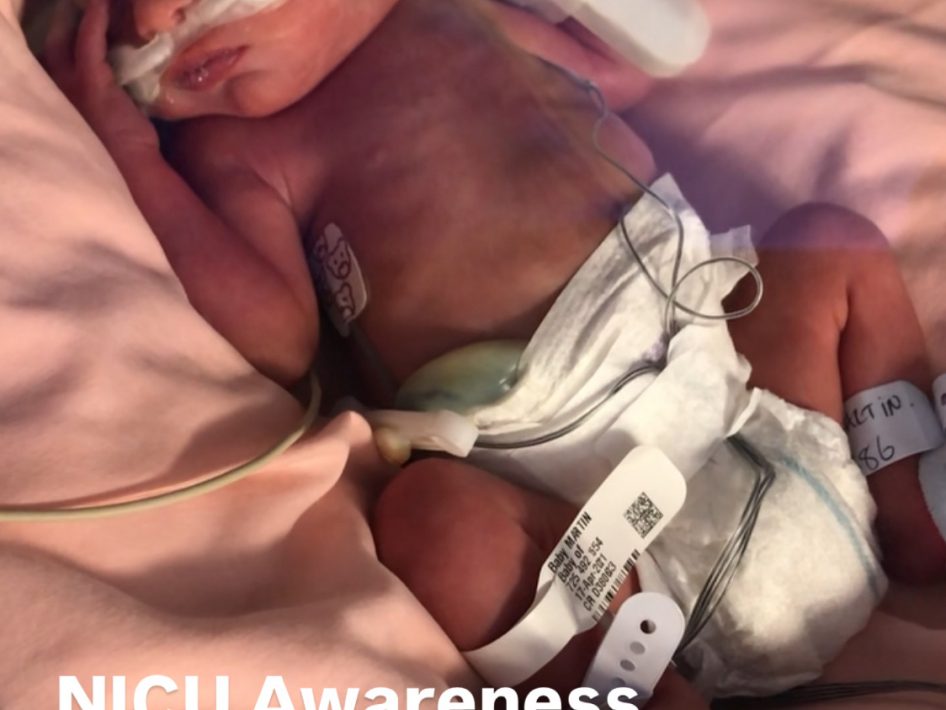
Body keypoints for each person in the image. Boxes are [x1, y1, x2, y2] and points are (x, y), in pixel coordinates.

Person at [45, 0, 946, 701]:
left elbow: (617, 75)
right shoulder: (241, 145)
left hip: (760, 411)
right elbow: (275, 333)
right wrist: (131, 151)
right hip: (600, 562)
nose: (150, 22)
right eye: (109, 13)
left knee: (832, 244)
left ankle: (914, 506)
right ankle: (630, 691)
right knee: (433, 525)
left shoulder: (462, 12)